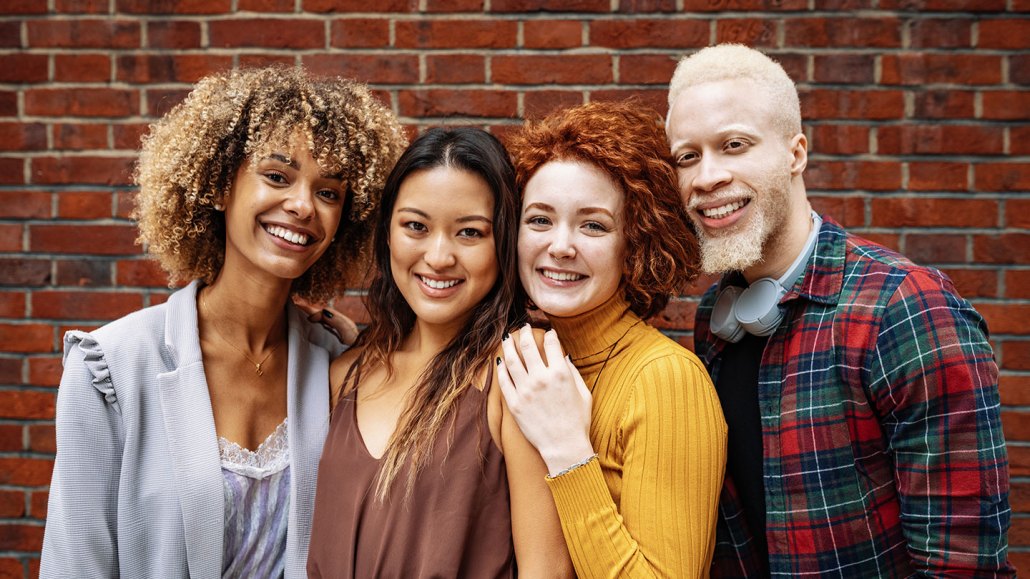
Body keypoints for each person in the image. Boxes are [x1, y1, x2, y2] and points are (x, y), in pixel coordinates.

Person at [39, 66, 406, 579]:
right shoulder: (110, 370)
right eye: (277, 176)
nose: (303, 205)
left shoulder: (339, 363)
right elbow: (74, 565)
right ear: (218, 185)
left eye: (329, 192)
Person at [665, 43, 1014, 576]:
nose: (706, 177)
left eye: (734, 145)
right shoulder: (719, 317)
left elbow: (962, 561)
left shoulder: (904, 308)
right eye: (687, 156)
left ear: (795, 153)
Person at [306, 128, 573, 578]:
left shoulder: (522, 368)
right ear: (387, 234)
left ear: (502, 242)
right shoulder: (345, 372)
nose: (439, 256)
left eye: (469, 232)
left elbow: (545, 572)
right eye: (416, 226)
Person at [497, 100, 728, 578]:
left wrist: (567, 449)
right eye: (539, 219)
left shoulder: (665, 381)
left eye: (593, 225)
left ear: (637, 242)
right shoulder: (525, 358)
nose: (560, 246)